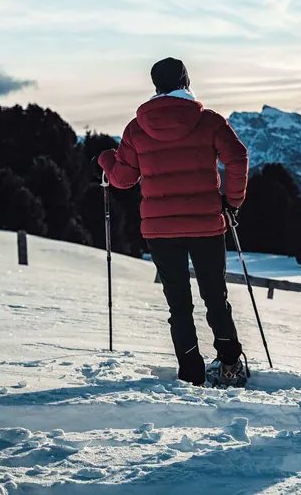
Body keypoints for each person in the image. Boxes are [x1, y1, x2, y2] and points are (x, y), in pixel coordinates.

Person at [98, 58, 250, 387]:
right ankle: (229, 364)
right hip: (207, 226)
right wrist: (232, 201)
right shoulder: (208, 121)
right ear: (186, 81)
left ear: (155, 85)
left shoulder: (137, 128)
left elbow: (123, 178)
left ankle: (191, 372)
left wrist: (105, 158)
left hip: (161, 231)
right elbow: (237, 158)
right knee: (215, 296)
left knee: (178, 303)